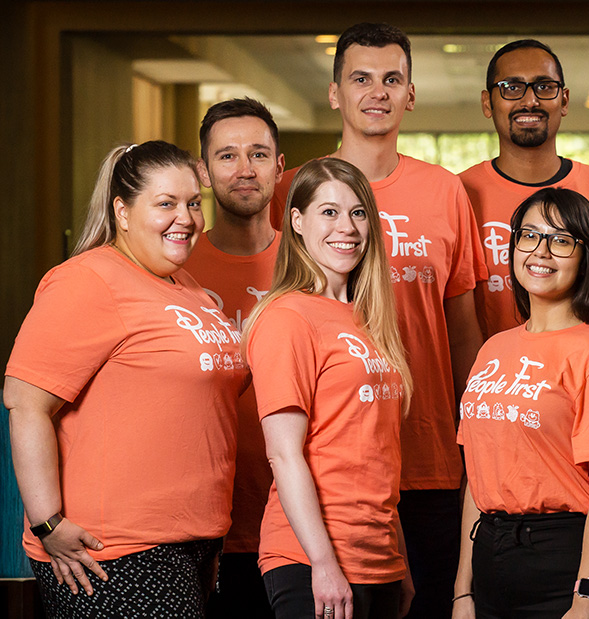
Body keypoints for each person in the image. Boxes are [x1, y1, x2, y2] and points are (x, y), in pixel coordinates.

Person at [270, 23, 485, 617]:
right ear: (335, 93)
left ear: (410, 94)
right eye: (360, 78)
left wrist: (476, 441)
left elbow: (462, 330)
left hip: (430, 458)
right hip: (336, 470)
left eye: (392, 79)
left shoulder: (445, 191)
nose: (377, 92)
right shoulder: (293, 191)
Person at [4, 141, 247, 617]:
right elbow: (25, 402)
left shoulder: (186, 286)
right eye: (166, 204)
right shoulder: (88, 280)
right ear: (123, 211)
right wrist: (47, 523)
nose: (185, 218)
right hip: (112, 551)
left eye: (193, 203)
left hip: (191, 541)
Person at [452, 187, 589, 619]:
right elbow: (477, 480)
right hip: (490, 555)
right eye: (530, 235)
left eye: (561, 240)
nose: (541, 251)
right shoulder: (492, 350)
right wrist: (462, 591)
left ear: (586, 256)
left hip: (562, 562)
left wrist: (586, 598)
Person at [245, 158, 414, 619]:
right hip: (309, 557)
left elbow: (376, 450)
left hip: (378, 556)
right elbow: (284, 454)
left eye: (358, 213)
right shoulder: (287, 317)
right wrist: (323, 563)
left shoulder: (370, 320)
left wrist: (398, 558)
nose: (348, 228)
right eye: (329, 212)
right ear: (297, 222)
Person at [459, 39, 589, 337]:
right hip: (490, 366)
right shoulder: (458, 195)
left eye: (544, 87)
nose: (530, 100)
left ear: (564, 100)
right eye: (511, 87)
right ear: (487, 103)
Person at [189, 97, 284, 619]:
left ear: (279, 166)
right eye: (227, 155)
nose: (245, 169)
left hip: (298, 523)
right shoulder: (174, 266)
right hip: (203, 526)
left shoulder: (314, 263)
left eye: (258, 154)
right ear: (203, 171)